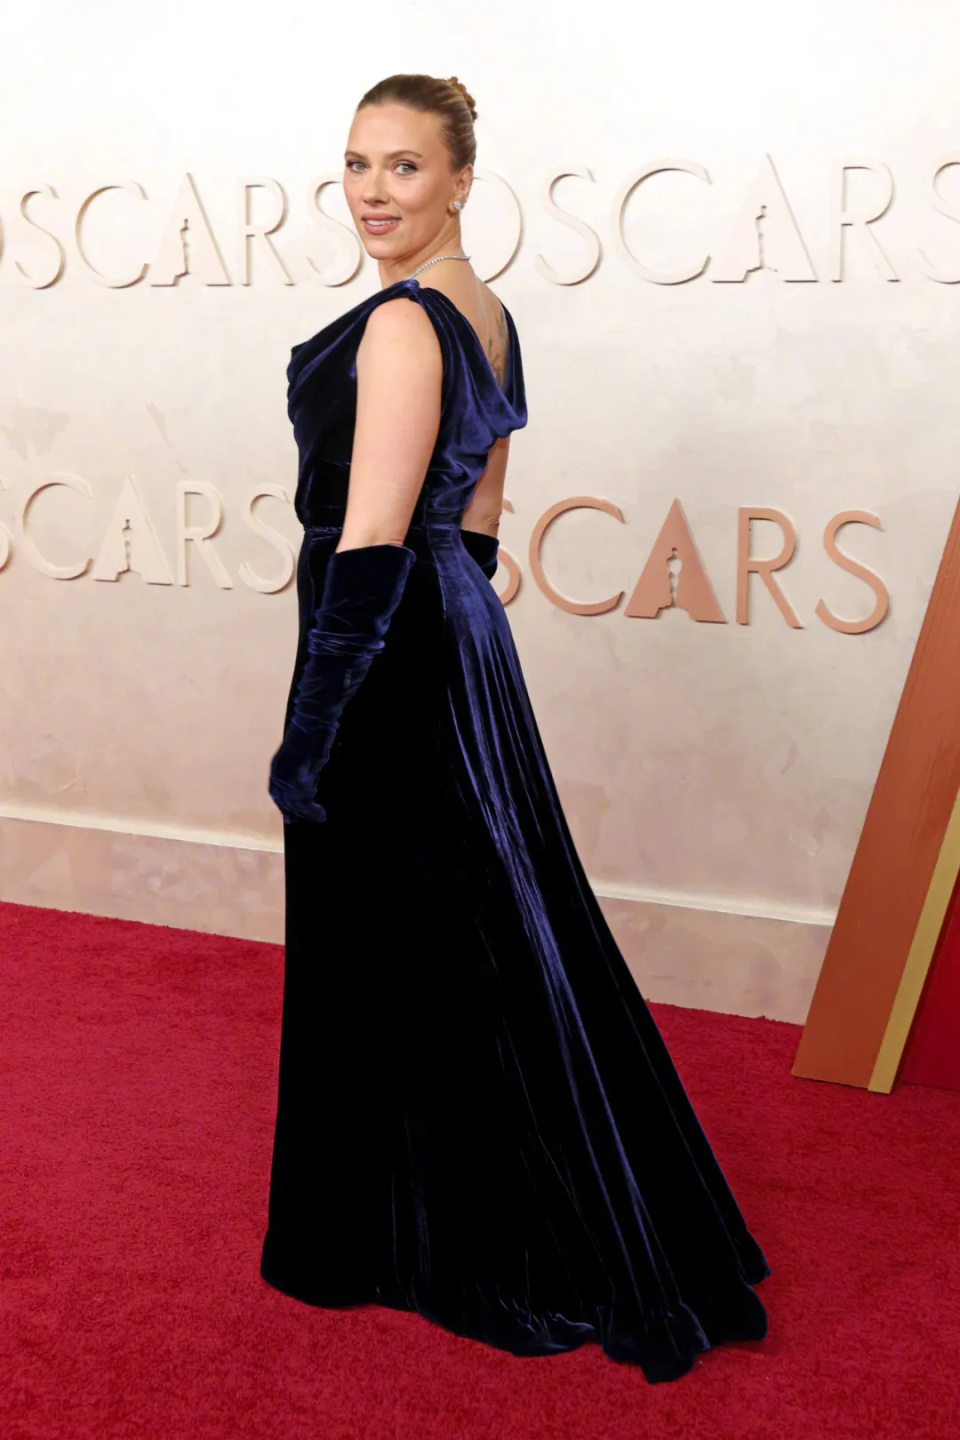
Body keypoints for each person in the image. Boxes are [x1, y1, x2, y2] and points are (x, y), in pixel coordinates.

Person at [261, 71, 770, 1384]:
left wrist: (312, 729)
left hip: (384, 646)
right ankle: (479, 1201)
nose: (373, 192)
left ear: (462, 181)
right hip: (452, 631)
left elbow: (373, 540)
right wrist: (458, 641)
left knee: (414, 933)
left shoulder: (401, 326)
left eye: (404, 167)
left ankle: (424, 1235)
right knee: (481, 922)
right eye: (358, 164)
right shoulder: (488, 313)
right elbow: (479, 522)